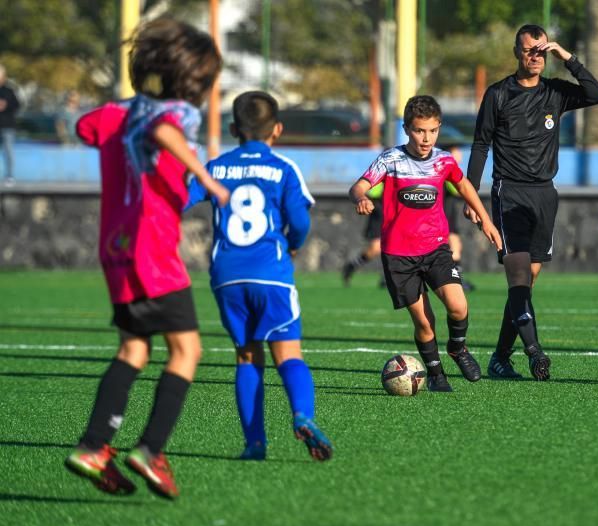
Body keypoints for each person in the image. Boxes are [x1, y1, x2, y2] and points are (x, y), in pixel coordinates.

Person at [64, 18, 229, 499]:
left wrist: (127, 107)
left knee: (134, 349)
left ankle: (94, 446)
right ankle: (151, 449)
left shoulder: (117, 113)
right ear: (192, 78)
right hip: (153, 250)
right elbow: (162, 130)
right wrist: (208, 178)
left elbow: (84, 125)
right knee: (187, 350)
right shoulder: (172, 114)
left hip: (115, 251)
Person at [185, 90, 332, 462]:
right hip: (271, 273)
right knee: (289, 355)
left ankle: (254, 444)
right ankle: (302, 415)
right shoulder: (283, 168)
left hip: (227, 276)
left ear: (234, 128)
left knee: (247, 357)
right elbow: (299, 220)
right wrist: (293, 243)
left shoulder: (215, 167)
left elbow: (178, 200)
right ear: (277, 129)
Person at [465, 24, 598, 380]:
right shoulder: (498, 94)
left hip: (545, 194)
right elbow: (481, 144)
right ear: (517, 52)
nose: (536, 57)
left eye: (541, 51)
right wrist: (471, 193)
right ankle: (534, 351)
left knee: (527, 282)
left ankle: (499, 358)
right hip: (508, 193)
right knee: (517, 278)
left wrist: (567, 57)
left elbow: (596, 93)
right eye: (530, 50)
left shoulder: (555, 92)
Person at [349, 95, 502, 392]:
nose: (426, 138)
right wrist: (361, 198)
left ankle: (458, 348)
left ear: (439, 128)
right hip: (398, 256)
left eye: (432, 131)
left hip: (435, 249)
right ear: (407, 129)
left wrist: (486, 220)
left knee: (458, 306)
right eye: (419, 130)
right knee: (424, 321)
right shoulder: (390, 159)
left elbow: (463, 185)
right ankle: (435, 374)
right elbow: (359, 185)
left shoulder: (443, 160)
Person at [441, 144, 475, 292]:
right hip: (444, 213)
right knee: (454, 243)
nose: (460, 155)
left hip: (448, 213)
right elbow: (456, 190)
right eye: (456, 153)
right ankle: (456, 279)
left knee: (455, 244)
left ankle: (457, 277)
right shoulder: (447, 169)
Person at [342, 181, 384, 287]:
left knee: (394, 246)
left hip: (395, 213)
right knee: (375, 248)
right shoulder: (382, 172)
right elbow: (369, 191)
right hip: (379, 213)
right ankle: (352, 266)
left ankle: (386, 277)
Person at [0, 64, 20, 183]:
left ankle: (9, 176)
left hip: (7, 126)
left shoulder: (9, 90)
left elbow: (17, 105)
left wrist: (6, 105)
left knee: (8, 151)